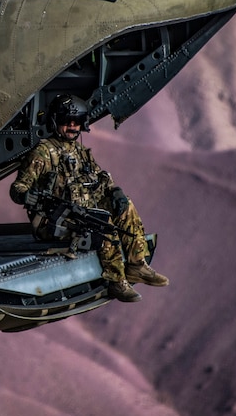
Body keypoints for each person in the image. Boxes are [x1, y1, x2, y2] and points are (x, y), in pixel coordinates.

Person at [9, 94, 169, 303]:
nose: (73, 126)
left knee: (125, 206)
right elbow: (18, 188)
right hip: (55, 220)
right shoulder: (43, 153)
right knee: (103, 224)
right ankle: (116, 281)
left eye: (77, 122)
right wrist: (29, 196)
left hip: (84, 212)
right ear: (56, 121)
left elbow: (99, 179)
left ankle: (137, 265)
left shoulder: (81, 152)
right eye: (67, 121)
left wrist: (115, 193)